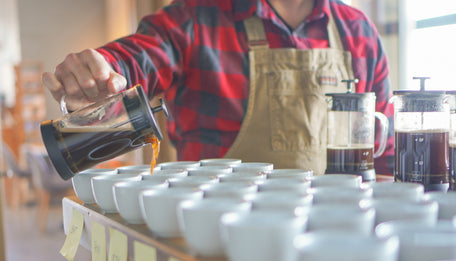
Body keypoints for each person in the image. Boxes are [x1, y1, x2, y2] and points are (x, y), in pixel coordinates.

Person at [42, 0, 394, 175]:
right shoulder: (196, 18)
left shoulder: (359, 33)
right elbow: (137, 59)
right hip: (214, 250)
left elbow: (387, 153)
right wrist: (99, 74)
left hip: (336, 245)